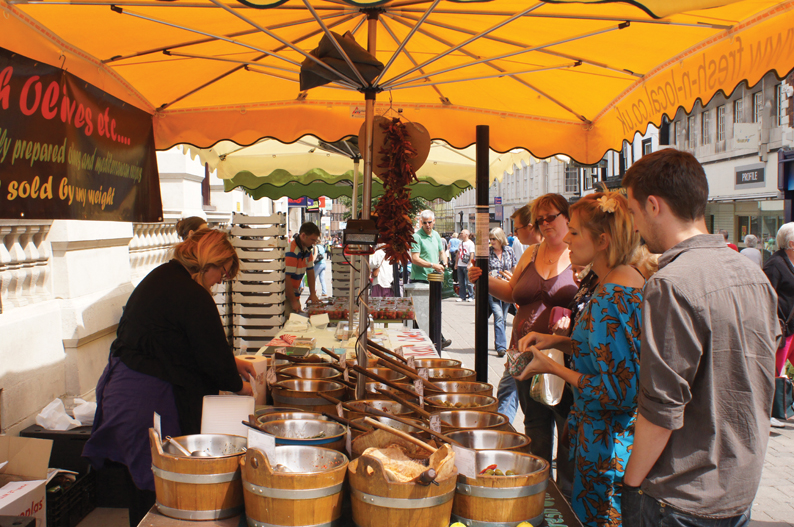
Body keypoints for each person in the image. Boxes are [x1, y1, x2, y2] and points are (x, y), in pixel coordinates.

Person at [621, 148, 778, 526]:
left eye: (633, 210)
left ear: (654, 206)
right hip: (738, 487)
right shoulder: (753, 274)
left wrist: (630, 485)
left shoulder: (670, 283)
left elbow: (661, 408)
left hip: (681, 495)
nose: (634, 224)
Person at [82, 229, 256, 527]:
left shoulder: (162, 276)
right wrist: (245, 388)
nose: (219, 282)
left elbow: (174, 339)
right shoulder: (193, 295)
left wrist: (233, 361)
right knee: (159, 490)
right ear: (209, 263)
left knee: (144, 488)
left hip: (123, 389)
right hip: (147, 401)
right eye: (222, 274)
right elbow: (212, 360)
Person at [516, 191, 644, 526]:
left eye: (574, 233)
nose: (567, 240)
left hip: (606, 449)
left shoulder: (611, 298)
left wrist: (552, 366)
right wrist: (555, 340)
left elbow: (617, 390)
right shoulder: (623, 280)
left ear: (602, 240)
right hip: (605, 442)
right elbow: (605, 353)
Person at [470, 195, 578, 475]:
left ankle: (565, 501)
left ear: (567, 217)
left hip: (564, 359)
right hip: (524, 356)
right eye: (539, 220)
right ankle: (540, 492)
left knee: (566, 427)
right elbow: (511, 292)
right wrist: (483, 278)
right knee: (535, 426)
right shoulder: (531, 253)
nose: (544, 224)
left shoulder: (579, 253)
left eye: (550, 217)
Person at [763, 222, 794, 428]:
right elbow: (765, 296)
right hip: (782, 328)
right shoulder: (775, 264)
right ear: (791, 243)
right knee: (777, 370)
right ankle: (774, 412)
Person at [410, 210, 452, 348]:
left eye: (430, 222)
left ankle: (436, 338)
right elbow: (415, 259)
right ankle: (434, 339)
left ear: (434, 222)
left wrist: (444, 262)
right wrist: (432, 264)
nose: (428, 225)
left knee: (434, 309)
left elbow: (441, 252)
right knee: (422, 311)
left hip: (433, 279)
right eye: (425, 222)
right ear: (421, 222)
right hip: (420, 279)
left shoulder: (436, 235)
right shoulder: (417, 237)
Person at [487, 227, 515, 357]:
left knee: (503, 318)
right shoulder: (488, 252)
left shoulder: (509, 251)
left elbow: (514, 267)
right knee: (498, 316)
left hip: (507, 287)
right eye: (491, 239)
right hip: (493, 289)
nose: (492, 241)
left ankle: (499, 342)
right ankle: (501, 347)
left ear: (500, 239)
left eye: (494, 239)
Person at [286, 222, 321, 314]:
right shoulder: (292, 252)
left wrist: (313, 294)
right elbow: (286, 279)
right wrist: (293, 301)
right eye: (312, 240)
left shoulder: (307, 250)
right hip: (286, 296)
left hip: (294, 293)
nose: (314, 243)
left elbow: (310, 272)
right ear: (303, 236)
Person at [456, 229, 475, 302]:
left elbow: (472, 254)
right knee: (461, 282)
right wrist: (456, 263)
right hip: (460, 264)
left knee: (468, 282)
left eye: (462, 233)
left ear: (466, 235)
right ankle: (462, 296)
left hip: (467, 265)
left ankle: (471, 295)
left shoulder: (470, 243)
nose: (460, 234)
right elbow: (458, 253)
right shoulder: (460, 243)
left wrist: (470, 264)